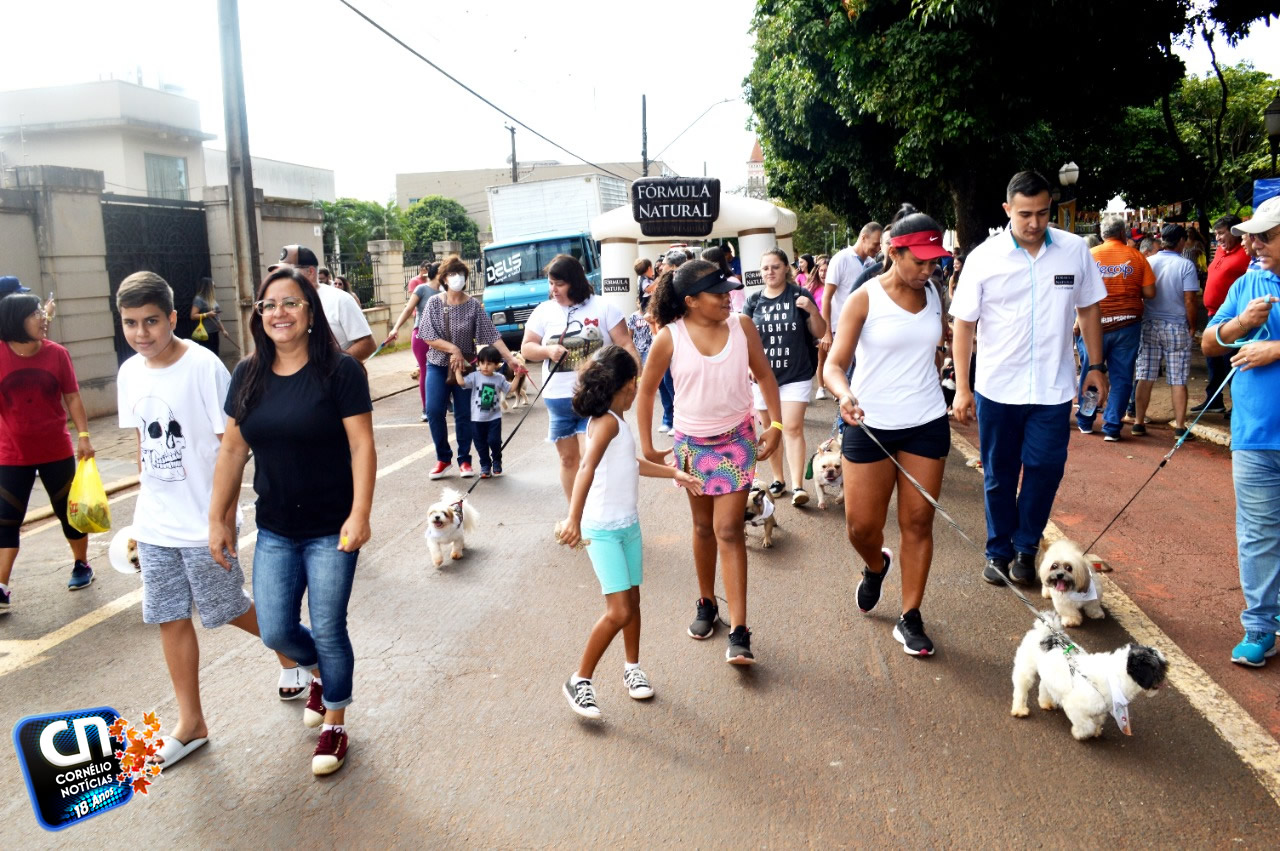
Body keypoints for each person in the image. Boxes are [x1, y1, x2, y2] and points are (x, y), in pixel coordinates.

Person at [114, 271, 303, 767]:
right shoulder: (130, 372)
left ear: (173, 318)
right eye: (130, 323)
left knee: (228, 607)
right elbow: (142, 444)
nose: (141, 333)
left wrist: (221, 516)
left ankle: (297, 655)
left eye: (151, 321)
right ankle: (191, 723)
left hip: (204, 519)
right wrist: (141, 514)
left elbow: (233, 447)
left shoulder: (204, 368)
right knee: (169, 616)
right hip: (156, 522)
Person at [208, 267, 376, 777]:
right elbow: (233, 450)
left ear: (310, 313)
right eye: (269, 305)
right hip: (276, 527)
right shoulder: (247, 373)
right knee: (276, 629)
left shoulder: (341, 371)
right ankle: (323, 673)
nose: (278, 313)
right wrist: (218, 519)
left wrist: (360, 513)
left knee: (328, 625)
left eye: (291, 303)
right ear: (259, 316)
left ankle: (336, 722)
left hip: (332, 527)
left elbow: (362, 444)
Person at [951, 171, 1108, 587]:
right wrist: (963, 388)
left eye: (1042, 213)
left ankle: (1026, 544)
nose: (1034, 223)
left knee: (1045, 468)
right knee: (1000, 472)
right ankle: (998, 550)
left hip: (1053, 389)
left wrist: (1097, 365)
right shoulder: (984, 257)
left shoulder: (1075, 251)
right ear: (1007, 210)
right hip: (997, 387)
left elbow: (1089, 309)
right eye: (1024, 214)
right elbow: (963, 325)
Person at [637, 260, 782, 665]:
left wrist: (777, 425)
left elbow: (766, 376)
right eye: (717, 293)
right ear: (690, 301)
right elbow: (647, 390)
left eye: (727, 292)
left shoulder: (742, 326)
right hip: (691, 445)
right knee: (702, 527)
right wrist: (649, 445)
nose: (727, 298)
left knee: (728, 530)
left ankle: (739, 629)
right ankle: (706, 603)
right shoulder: (669, 337)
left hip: (736, 440)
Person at [823, 211, 952, 655]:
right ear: (893, 252)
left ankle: (910, 615)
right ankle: (875, 566)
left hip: (927, 423)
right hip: (869, 423)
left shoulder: (935, 293)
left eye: (934, 261)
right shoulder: (864, 298)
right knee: (861, 526)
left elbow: (938, 346)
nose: (928, 269)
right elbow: (834, 365)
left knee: (918, 522)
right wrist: (843, 394)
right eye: (920, 261)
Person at [555, 347, 703, 718]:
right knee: (619, 610)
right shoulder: (605, 423)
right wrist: (573, 518)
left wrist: (674, 473)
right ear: (627, 385)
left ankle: (632, 669)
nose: (638, 387)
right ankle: (580, 679)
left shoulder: (617, 423)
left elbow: (630, 463)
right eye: (635, 382)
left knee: (632, 603)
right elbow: (587, 467)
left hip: (627, 527)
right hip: (601, 530)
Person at [1201, 196, 1280, 667]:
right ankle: (1259, 626)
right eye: (1250, 235)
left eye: (1264, 236)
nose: (1250, 243)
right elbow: (1210, 341)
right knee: (1257, 533)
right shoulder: (1248, 281)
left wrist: (1274, 348)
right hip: (1254, 432)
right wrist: (1238, 326)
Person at [0, 290, 96, 608]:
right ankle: (1, 585)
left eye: (42, 312)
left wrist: (83, 435)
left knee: (68, 514)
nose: (43, 318)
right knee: (6, 519)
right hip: (11, 454)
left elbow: (72, 396)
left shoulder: (57, 354)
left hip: (56, 449)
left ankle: (81, 564)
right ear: (16, 320)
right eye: (35, 314)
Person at [522, 254, 637, 501]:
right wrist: (547, 351)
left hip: (596, 397)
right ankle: (578, 515)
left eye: (560, 284)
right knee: (567, 459)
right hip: (558, 399)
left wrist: (633, 382)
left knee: (590, 458)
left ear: (575, 282)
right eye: (551, 283)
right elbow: (527, 348)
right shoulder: (544, 311)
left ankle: (597, 512)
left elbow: (626, 344)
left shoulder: (604, 307)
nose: (554, 290)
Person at [418, 257, 524, 479]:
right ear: (444, 278)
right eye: (452, 274)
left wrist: (511, 360)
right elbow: (427, 335)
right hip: (438, 364)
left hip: (466, 368)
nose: (457, 278)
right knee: (434, 410)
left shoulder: (473, 305)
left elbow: (491, 335)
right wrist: (453, 349)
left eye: (461, 274)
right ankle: (443, 458)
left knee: (465, 414)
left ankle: (464, 460)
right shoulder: (435, 303)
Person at [744, 249, 825, 505]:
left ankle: (799, 485)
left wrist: (812, 310)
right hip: (761, 377)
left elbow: (820, 331)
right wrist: (747, 365)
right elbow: (743, 337)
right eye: (766, 268)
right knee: (771, 430)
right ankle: (778, 480)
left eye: (775, 267)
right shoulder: (753, 301)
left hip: (796, 374)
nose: (770, 272)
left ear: (786, 269)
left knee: (791, 427)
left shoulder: (799, 295)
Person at [1078, 215, 1155, 441]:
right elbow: (1150, 293)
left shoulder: (1090, 256)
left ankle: (1086, 420)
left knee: (1091, 371)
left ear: (1102, 234)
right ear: (1123, 233)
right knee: (1122, 377)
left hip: (1094, 326)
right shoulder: (1137, 257)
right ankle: (1112, 426)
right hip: (1127, 325)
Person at [1133, 225, 1200, 439]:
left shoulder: (1148, 262)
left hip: (1150, 324)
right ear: (1180, 241)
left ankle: (1138, 422)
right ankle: (1180, 426)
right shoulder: (1185, 265)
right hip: (1176, 326)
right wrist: (1192, 325)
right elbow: (1190, 299)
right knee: (1178, 378)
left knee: (1145, 375)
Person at [270, 245, 375, 361]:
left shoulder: (340, 299)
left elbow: (367, 344)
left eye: (288, 272)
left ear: (310, 272)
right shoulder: (284, 303)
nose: (283, 278)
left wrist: (333, 367)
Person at [1198, 214, 1250, 414]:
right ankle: (1214, 401)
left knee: (1232, 362)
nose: (1217, 238)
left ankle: (1238, 405)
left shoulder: (1247, 254)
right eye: (1216, 234)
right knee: (1213, 361)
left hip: (1233, 319)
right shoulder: (1220, 251)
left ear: (1235, 232)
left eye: (1221, 233)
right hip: (1214, 314)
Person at [386, 261, 440, 421]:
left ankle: (443, 402)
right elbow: (408, 309)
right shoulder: (421, 289)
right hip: (421, 336)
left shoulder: (446, 291)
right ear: (438, 273)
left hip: (441, 337)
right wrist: (395, 328)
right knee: (426, 370)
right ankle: (426, 408)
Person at [821, 222, 883, 349]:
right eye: (876, 244)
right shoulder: (840, 259)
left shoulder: (872, 264)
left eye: (880, 245)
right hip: (841, 330)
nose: (878, 249)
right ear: (864, 237)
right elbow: (826, 297)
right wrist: (826, 332)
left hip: (866, 330)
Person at [458, 346, 510, 479]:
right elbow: (462, 382)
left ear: (496, 365)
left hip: (494, 418)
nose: (485, 367)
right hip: (477, 419)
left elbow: (510, 389)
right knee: (480, 444)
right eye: (482, 363)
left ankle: (496, 460)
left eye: (489, 364)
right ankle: (485, 465)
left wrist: (518, 375)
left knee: (494, 441)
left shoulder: (499, 378)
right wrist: (457, 370)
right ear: (478, 363)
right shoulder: (475, 376)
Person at [810, 255, 831, 398]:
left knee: (834, 360)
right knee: (821, 360)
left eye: (827, 270)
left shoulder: (835, 287)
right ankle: (821, 388)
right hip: (819, 329)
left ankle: (835, 390)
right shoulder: (813, 288)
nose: (823, 273)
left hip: (834, 328)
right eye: (821, 270)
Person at [190, 276, 222, 355]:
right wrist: (207, 314)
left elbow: (217, 317)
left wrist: (223, 330)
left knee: (215, 353)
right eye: (213, 287)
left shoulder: (211, 299)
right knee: (208, 354)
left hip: (214, 331)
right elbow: (193, 316)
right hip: (205, 333)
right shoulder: (199, 299)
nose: (214, 289)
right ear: (208, 287)